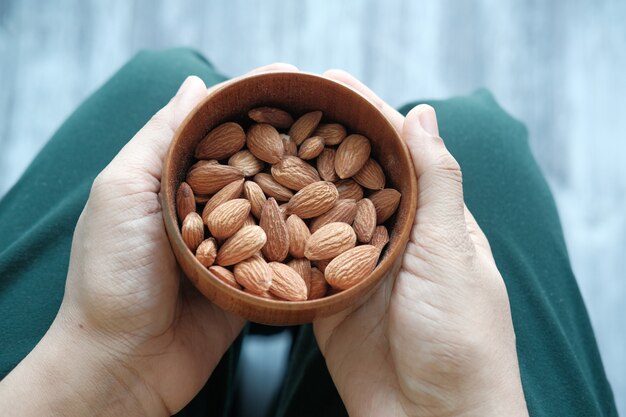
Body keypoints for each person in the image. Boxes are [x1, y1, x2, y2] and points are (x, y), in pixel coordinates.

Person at [0, 49, 618, 417]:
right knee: (480, 137)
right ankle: (282, 351)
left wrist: (100, 368)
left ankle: (254, 355)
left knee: (159, 74)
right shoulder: (250, 200)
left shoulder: (316, 196)